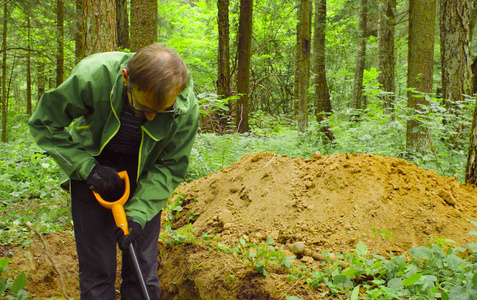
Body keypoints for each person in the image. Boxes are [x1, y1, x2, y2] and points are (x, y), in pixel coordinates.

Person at [28, 43, 199, 299]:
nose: (151, 118)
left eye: (161, 111)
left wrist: (139, 214)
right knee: (98, 272)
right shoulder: (92, 77)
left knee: (143, 268)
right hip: (94, 168)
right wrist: (87, 169)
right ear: (126, 77)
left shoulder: (185, 109)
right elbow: (45, 123)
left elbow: (171, 165)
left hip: (145, 175)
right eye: (143, 109)